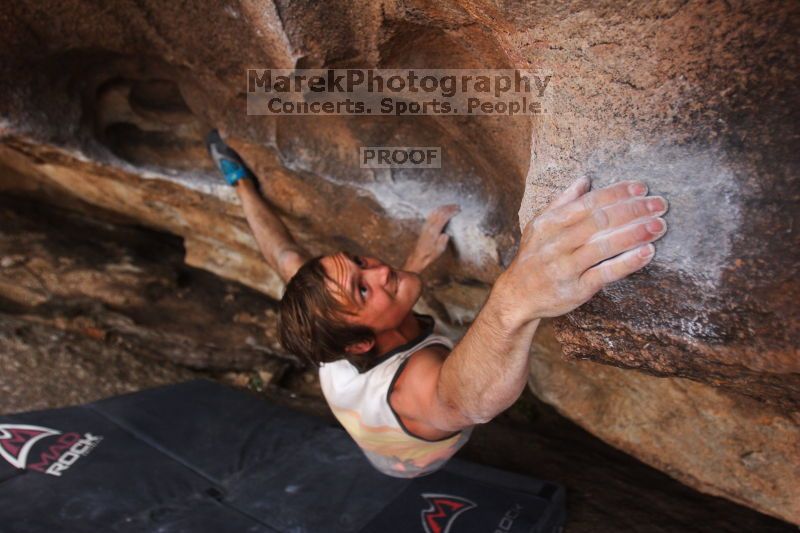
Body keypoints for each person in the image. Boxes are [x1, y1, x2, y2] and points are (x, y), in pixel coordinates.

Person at [206, 130, 669, 477]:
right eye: (363, 289)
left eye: (360, 262)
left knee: (292, 266)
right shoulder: (412, 390)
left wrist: (242, 183)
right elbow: (462, 401)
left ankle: (236, 181)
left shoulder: (331, 325)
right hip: (404, 459)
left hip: (352, 389)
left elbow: (282, 253)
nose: (380, 269)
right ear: (362, 343)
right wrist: (515, 297)